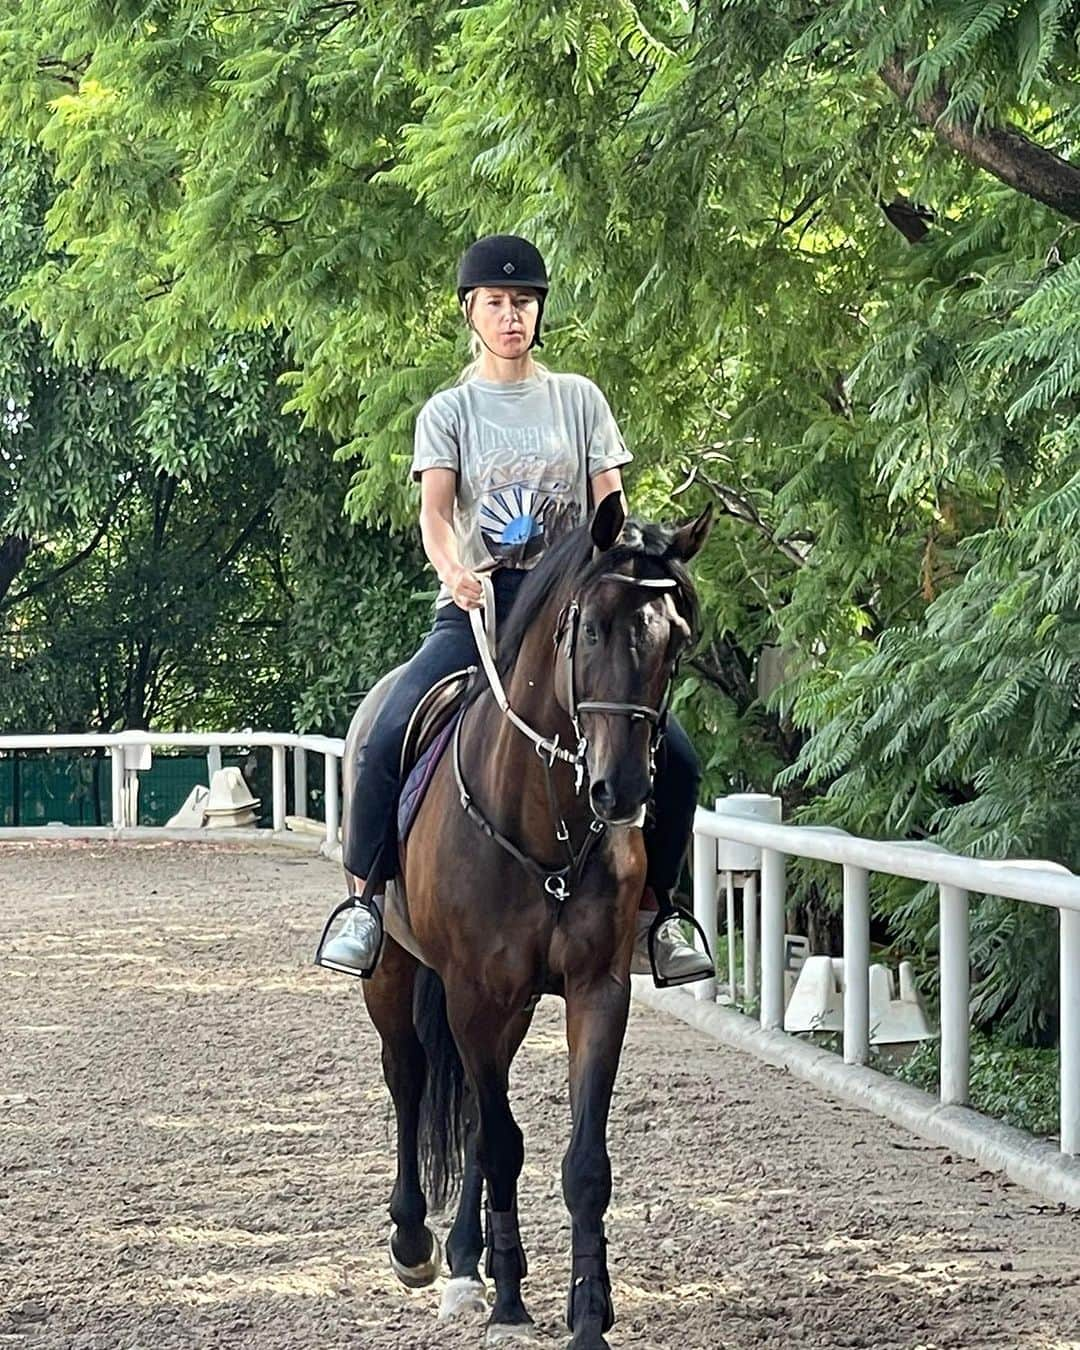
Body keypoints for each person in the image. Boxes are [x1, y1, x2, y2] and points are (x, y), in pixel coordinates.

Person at [317, 234, 712, 987]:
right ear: (472, 312)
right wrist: (454, 570)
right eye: (496, 303)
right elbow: (436, 514)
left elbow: (610, 511)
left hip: (573, 616)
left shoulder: (578, 399)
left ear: (539, 313)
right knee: (387, 730)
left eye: (523, 303)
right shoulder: (450, 410)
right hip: (482, 607)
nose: (511, 316)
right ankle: (366, 904)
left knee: (679, 757)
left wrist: (630, 564)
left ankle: (663, 916)